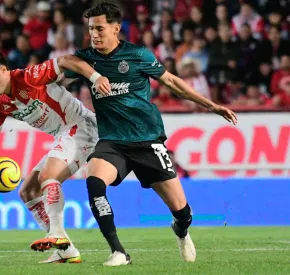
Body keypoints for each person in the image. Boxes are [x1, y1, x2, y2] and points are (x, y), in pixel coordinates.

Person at [64, 2, 238, 266]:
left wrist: (211, 105)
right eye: (90, 29)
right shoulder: (87, 58)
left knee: (183, 212)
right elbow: (60, 65)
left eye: (99, 28)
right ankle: (119, 252)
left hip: (147, 141)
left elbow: (172, 82)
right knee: (94, 181)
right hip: (113, 142)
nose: (94, 34)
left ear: (116, 28)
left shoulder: (138, 55)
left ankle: (181, 230)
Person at [0, 50, 110, 264]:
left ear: (3, 70)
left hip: (81, 126)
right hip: (63, 135)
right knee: (28, 191)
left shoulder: (29, 77)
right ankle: (66, 250)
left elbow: (65, 60)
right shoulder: (0, 103)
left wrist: (96, 77)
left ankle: (57, 233)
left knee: (48, 176)